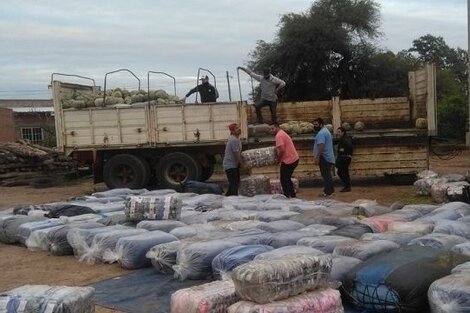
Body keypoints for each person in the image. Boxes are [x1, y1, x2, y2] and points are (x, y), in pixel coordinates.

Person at [269, 123, 299, 198]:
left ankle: (287, 195)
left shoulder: (279, 135)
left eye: (272, 128)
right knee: (286, 178)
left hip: (289, 160)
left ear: (277, 127)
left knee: (284, 179)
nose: (271, 130)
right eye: (270, 129)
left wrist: (278, 159)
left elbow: (282, 149)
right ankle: (291, 195)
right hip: (293, 159)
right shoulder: (282, 133)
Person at [313, 118, 335, 196]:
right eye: (314, 124)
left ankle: (328, 192)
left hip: (324, 157)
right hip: (327, 156)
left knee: (326, 175)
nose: (314, 126)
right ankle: (329, 190)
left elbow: (321, 146)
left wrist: (317, 157)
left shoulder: (321, 133)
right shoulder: (326, 131)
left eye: (316, 125)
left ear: (321, 124)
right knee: (327, 174)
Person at [222, 122, 243, 196]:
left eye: (238, 127)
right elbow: (237, 154)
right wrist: (242, 164)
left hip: (234, 165)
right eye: (236, 128)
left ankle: (227, 197)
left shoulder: (237, 139)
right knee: (234, 184)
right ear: (232, 131)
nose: (239, 129)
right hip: (230, 165)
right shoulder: (233, 140)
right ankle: (233, 200)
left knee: (234, 183)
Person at [335, 126, 353, 192]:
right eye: (337, 132)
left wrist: (342, 150)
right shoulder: (344, 138)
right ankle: (348, 186)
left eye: (339, 132)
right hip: (346, 157)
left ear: (343, 132)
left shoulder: (345, 139)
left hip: (344, 158)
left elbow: (348, 147)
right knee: (345, 172)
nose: (337, 133)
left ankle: (347, 186)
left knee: (340, 172)